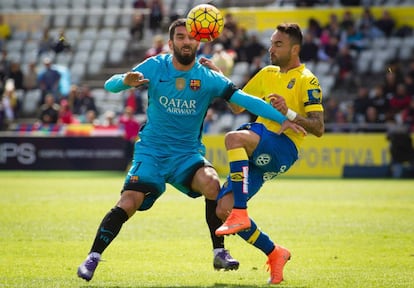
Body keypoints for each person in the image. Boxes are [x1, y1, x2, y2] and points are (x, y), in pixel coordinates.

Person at [77, 18, 304, 282]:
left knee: (211, 183)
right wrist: (123, 80)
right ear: (171, 42)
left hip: (187, 155)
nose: (187, 42)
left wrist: (285, 118)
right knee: (129, 202)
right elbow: (110, 85)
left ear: (199, 41)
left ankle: (220, 252)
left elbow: (245, 100)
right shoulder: (155, 65)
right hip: (152, 152)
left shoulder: (207, 77)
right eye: (181, 37)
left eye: (191, 38)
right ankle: (93, 257)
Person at [214, 23, 324, 285]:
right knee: (223, 209)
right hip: (260, 149)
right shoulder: (266, 74)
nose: (271, 48)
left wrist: (289, 112)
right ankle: (275, 253)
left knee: (233, 138)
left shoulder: (307, 79)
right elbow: (236, 107)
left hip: (284, 147)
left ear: (294, 48)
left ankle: (241, 211)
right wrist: (219, 75)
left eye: (278, 44)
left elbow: (318, 127)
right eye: (272, 43)